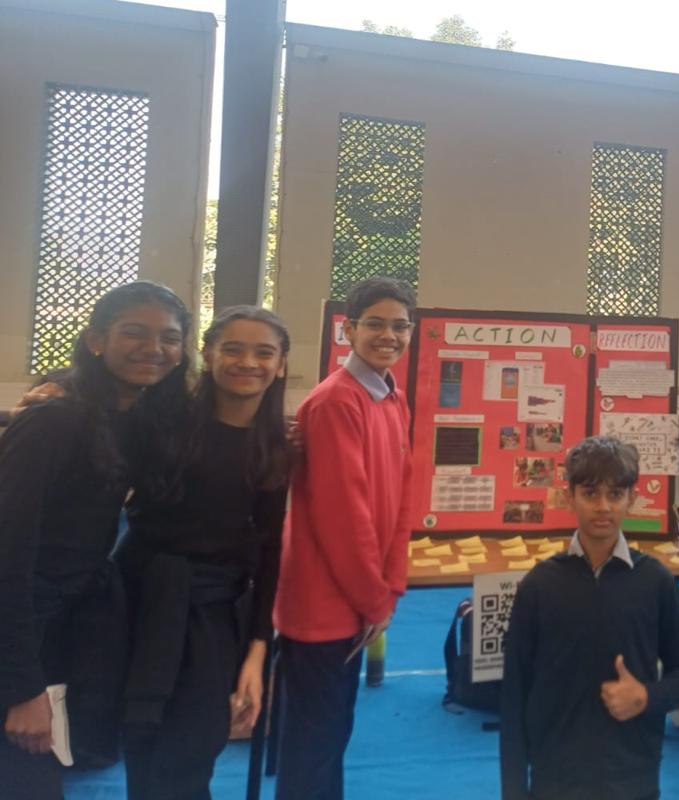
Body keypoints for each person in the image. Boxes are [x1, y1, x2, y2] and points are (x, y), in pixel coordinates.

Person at [0, 282, 192, 798]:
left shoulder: (136, 416)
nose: (153, 348)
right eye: (135, 333)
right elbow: (6, 558)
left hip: (73, 622)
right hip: (22, 627)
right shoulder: (53, 421)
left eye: (169, 338)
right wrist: (20, 688)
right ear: (96, 340)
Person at [116, 305, 291, 798]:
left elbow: (271, 551)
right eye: (233, 349)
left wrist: (258, 650)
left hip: (216, 615)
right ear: (208, 354)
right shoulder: (160, 423)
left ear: (280, 365)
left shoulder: (276, 447)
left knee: (193, 748)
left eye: (264, 353)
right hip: (143, 599)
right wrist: (58, 390)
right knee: (143, 744)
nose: (247, 362)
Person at [273, 277, 417, 800]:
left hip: (358, 597)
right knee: (314, 741)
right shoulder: (336, 402)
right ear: (348, 330)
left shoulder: (392, 396)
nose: (389, 336)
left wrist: (390, 586)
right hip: (323, 603)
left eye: (400, 325)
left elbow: (401, 500)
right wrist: (374, 598)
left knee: (332, 732)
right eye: (375, 323)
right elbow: (343, 517)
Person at [500, 436, 679, 800]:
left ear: (632, 499)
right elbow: (514, 696)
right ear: (569, 497)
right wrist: (513, 791)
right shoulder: (539, 586)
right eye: (590, 493)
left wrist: (646, 696)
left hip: (632, 776)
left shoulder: (654, 581)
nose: (603, 506)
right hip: (556, 778)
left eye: (615, 494)